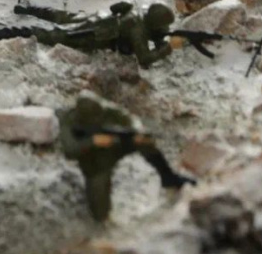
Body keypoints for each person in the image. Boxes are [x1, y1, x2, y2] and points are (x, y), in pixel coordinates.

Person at [58, 91, 195, 222]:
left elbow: (127, 117)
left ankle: (168, 178)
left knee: (145, 144)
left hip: (114, 146)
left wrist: (136, 132)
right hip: (95, 162)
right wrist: (93, 142)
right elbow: (69, 150)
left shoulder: (104, 109)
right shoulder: (68, 120)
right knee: (100, 212)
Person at [0, 0, 176, 68]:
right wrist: (166, 48)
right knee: (52, 35)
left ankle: (27, 7)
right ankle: (0, 34)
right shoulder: (138, 30)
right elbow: (144, 59)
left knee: (60, 15)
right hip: (94, 33)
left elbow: (115, 7)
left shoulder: (137, 10)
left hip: (96, 17)